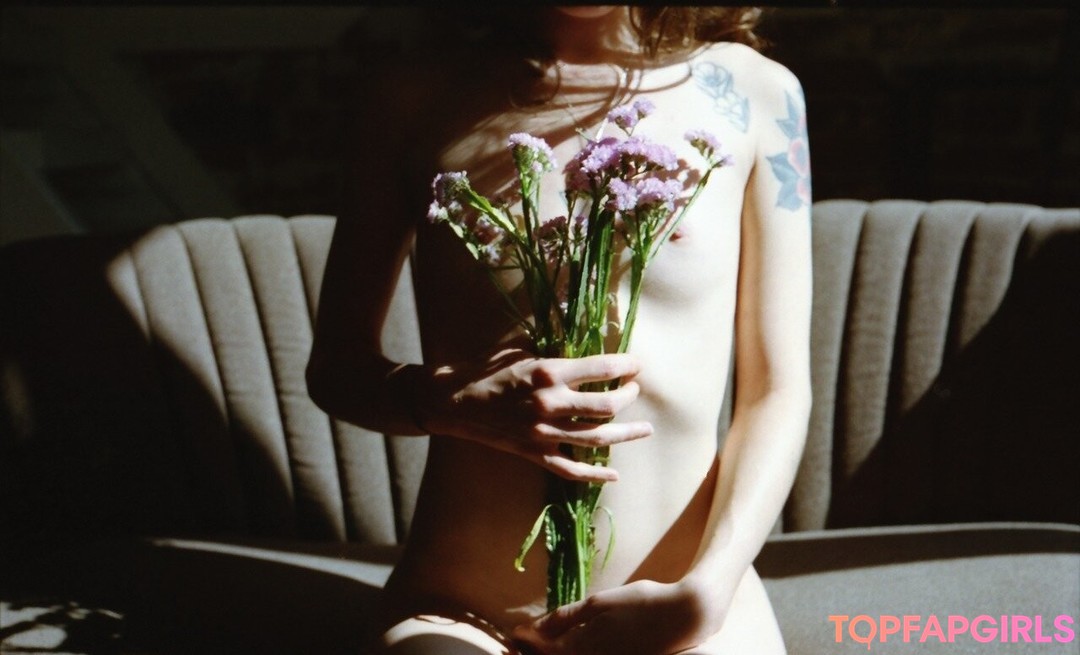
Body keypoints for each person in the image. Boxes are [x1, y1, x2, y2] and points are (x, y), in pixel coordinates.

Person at [307, 6, 812, 654]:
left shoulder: (756, 93)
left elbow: (776, 391)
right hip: (461, 611)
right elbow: (336, 370)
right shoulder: (411, 98)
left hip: (682, 607)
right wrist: (453, 400)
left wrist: (707, 594)